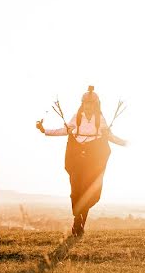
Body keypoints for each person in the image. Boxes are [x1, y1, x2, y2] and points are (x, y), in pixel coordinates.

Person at [37, 85, 126, 236]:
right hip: (77, 158)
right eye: (86, 104)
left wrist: (124, 142)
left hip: (93, 161)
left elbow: (108, 136)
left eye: (91, 104)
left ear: (96, 105)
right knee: (76, 191)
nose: (89, 107)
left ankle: (79, 222)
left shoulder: (100, 119)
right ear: (83, 104)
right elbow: (64, 131)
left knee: (91, 193)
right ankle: (77, 220)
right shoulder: (77, 118)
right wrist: (45, 130)